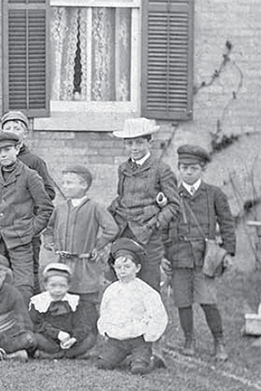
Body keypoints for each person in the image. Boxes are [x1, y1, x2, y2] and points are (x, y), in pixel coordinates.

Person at [163, 145, 236, 361]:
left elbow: (227, 223)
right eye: (184, 167)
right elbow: (163, 227)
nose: (188, 172)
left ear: (202, 169)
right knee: (183, 301)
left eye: (193, 168)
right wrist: (163, 256)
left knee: (208, 300)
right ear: (179, 168)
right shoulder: (171, 195)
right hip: (178, 256)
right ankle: (189, 340)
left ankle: (219, 341)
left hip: (205, 259)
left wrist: (228, 252)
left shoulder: (214, 194)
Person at [41, 165, 117, 327]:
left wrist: (97, 246)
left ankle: (89, 334)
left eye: (69, 183)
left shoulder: (94, 207)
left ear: (83, 185)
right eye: (63, 183)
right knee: (63, 299)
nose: (64, 186)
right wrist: (49, 242)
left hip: (85, 264)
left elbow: (112, 229)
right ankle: (66, 333)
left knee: (86, 303)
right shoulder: (60, 208)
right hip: (63, 263)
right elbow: (49, 229)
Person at [0, 131, 54, 301]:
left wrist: (30, 230)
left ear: (17, 148)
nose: (3, 154)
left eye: (7, 149)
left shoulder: (30, 175)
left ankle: (24, 323)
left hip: (20, 239)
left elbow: (45, 208)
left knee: (24, 285)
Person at [108, 117, 179, 289]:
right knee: (121, 280)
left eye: (139, 143)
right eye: (130, 143)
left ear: (149, 143)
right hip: (124, 231)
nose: (134, 148)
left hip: (148, 235)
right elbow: (122, 197)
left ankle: (151, 317)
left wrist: (156, 223)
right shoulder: (123, 169)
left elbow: (174, 205)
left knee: (148, 283)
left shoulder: (161, 169)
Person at [96, 238, 169, 375]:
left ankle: (151, 360)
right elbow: (104, 312)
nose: (122, 271)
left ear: (137, 268)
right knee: (103, 364)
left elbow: (158, 315)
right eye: (119, 267)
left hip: (139, 339)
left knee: (138, 369)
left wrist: (149, 335)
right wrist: (106, 331)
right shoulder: (112, 290)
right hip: (117, 339)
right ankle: (118, 355)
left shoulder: (145, 291)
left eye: (127, 267)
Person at [29, 263, 97, 359]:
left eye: (62, 286)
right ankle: (65, 354)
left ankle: (57, 355)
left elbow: (82, 324)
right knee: (35, 337)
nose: (57, 290)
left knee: (90, 338)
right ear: (45, 285)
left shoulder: (74, 301)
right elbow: (37, 324)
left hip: (69, 339)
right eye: (53, 285)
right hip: (49, 339)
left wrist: (74, 338)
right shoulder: (39, 302)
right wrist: (57, 334)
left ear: (68, 286)